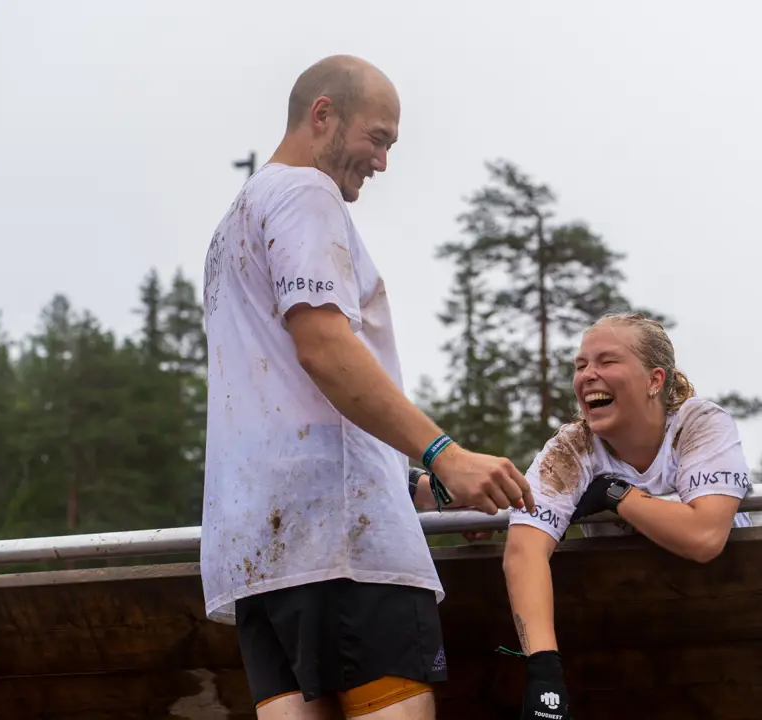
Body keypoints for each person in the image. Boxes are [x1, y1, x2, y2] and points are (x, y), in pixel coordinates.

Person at [199, 54, 535, 720]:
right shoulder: (305, 194)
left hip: (260, 556)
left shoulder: (233, 222)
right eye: (377, 138)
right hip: (340, 546)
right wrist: (446, 453)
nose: (382, 162)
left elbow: (285, 401)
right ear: (323, 114)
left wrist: (413, 486)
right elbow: (324, 348)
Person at [502, 312, 753, 719]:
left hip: (731, 627)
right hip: (628, 642)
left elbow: (704, 537)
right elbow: (524, 551)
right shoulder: (571, 448)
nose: (588, 375)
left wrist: (616, 494)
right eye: (581, 365)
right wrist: (543, 668)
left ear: (655, 380)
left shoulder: (700, 423)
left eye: (607, 361)